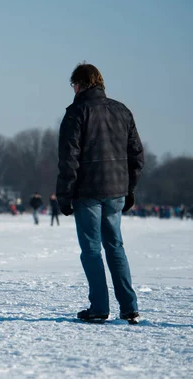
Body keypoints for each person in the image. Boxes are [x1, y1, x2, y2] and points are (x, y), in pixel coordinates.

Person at [56, 63, 144, 324]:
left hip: (88, 192)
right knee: (115, 246)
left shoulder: (76, 113)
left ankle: (98, 308)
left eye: (73, 84)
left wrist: (64, 195)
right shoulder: (121, 110)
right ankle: (129, 307)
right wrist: (129, 189)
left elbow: (68, 159)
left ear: (80, 84)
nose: (72, 89)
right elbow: (136, 155)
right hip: (116, 191)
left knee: (92, 250)